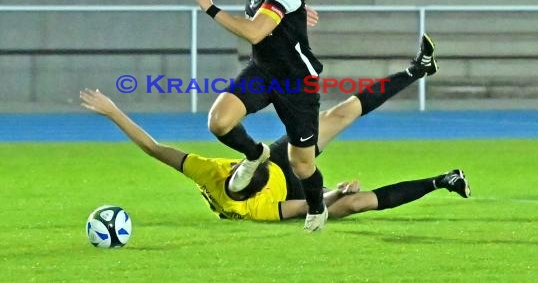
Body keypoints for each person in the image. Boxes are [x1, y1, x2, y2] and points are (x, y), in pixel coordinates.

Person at [80, 35, 468, 222]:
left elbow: (153, 147)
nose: (242, 164)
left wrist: (113, 111)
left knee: (340, 113)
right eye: (255, 166)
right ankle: (442, 181)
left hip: (286, 162)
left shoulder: (212, 173)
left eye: (245, 163)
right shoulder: (261, 207)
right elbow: (310, 204)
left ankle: (416, 70)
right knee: (354, 204)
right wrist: (335, 191)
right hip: (298, 190)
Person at [187, 0, 327, 230]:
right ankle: (255, 153)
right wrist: (301, 12)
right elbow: (290, 5)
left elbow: (254, 31)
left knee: (301, 164)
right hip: (263, 72)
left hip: (296, 83)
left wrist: (210, 7)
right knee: (219, 121)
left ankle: (317, 206)